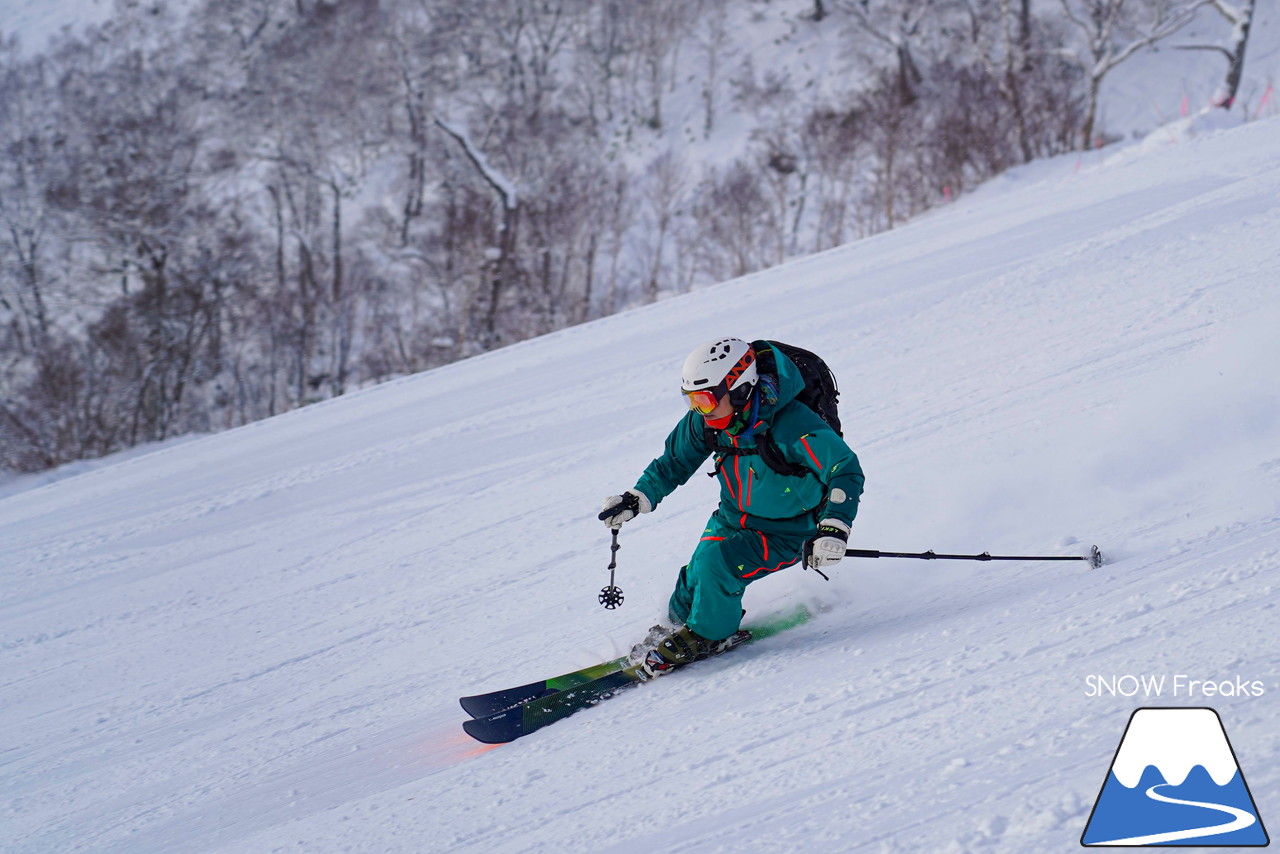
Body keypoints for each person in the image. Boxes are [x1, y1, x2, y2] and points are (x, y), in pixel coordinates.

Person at [599, 337, 865, 678]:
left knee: (717, 564)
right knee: (694, 578)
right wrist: (637, 498)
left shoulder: (791, 425)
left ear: (740, 389)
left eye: (706, 400)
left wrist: (835, 527)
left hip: (788, 531)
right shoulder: (708, 421)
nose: (700, 410)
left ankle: (707, 635)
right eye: (692, 401)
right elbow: (672, 463)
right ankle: (679, 626)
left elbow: (844, 468)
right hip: (732, 518)